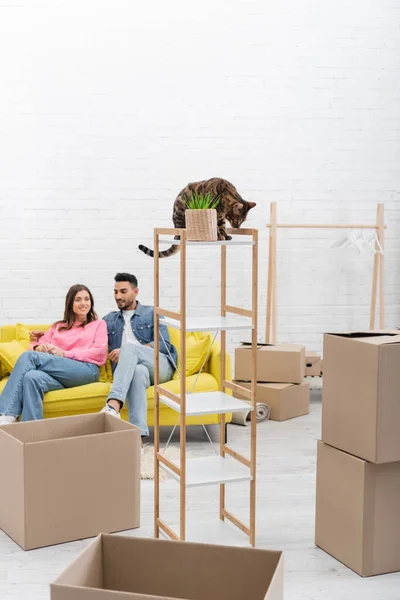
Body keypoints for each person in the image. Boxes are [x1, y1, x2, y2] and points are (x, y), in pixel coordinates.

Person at [0, 284, 107, 425]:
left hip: (86, 370)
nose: (83, 303)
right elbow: (34, 346)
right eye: (78, 300)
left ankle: (6, 414)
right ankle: (31, 433)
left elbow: (98, 352)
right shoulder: (58, 326)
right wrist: (39, 347)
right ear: (70, 303)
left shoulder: (98, 324)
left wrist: (64, 353)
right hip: (61, 374)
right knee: (31, 377)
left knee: (29, 357)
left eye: (87, 299)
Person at [100, 273, 177, 441]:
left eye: (123, 291)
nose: (118, 296)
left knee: (130, 348)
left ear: (136, 291)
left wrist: (131, 351)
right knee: (138, 372)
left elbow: (164, 345)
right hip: (135, 371)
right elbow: (85, 334)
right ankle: (138, 439)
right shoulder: (108, 320)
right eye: (115, 292)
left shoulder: (152, 313)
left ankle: (113, 404)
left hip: (159, 365)